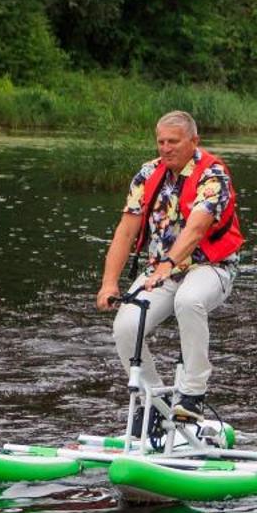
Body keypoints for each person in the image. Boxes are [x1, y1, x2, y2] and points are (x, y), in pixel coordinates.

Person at [94, 110, 244, 412]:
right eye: (160, 141)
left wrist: (167, 265)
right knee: (125, 328)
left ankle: (192, 393)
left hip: (210, 267)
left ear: (194, 141)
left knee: (188, 301)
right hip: (160, 271)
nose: (165, 148)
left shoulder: (213, 175)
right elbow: (125, 232)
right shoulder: (148, 174)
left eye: (173, 141)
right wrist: (109, 282)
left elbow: (197, 228)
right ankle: (156, 409)